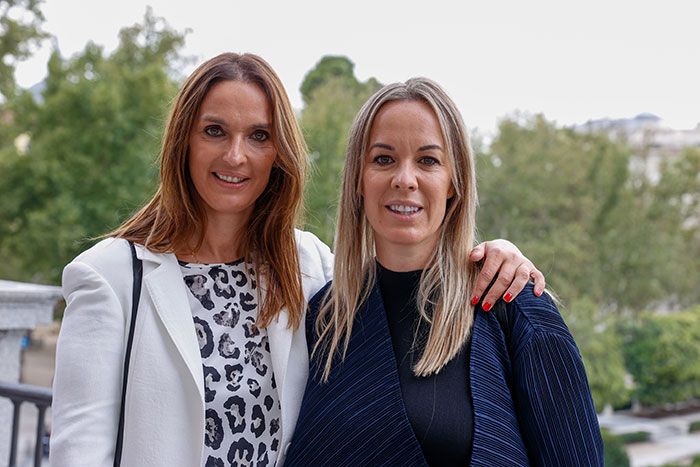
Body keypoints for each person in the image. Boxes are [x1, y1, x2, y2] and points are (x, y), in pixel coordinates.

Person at [51, 54, 546, 467]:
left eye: (260, 136)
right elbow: (78, 453)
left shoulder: (309, 267)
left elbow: (402, 262)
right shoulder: (111, 277)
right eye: (215, 131)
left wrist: (489, 254)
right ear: (183, 141)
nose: (236, 156)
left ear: (279, 153)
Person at [286, 78, 603, 466]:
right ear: (358, 179)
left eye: (428, 160)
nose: (405, 179)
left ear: (454, 182)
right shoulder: (325, 319)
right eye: (383, 159)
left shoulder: (511, 306)